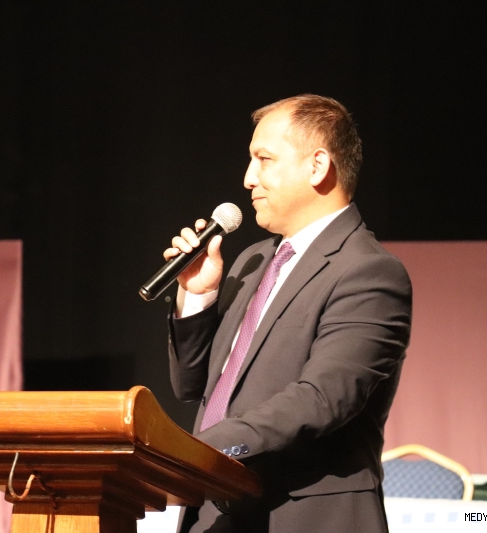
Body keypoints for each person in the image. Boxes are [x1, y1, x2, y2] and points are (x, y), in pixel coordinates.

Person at [164, 94, 412, 532]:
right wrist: (197, 297)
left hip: (302, 517)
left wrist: (195, 454)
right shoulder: (253, 261)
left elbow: (322, 399)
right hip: (214, 515)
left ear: (317, 167)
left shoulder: (370, 272)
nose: (248, 179)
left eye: (264, 159)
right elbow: (190, 386)